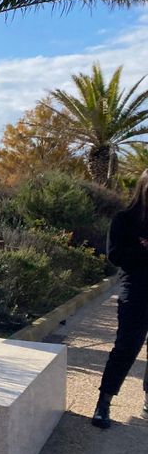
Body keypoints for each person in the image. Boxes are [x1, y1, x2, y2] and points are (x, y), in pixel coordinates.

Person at [93, 169, 148, 428]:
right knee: (126, 347)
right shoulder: (124, 219)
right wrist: (142, 250)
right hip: (136, 290)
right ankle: (103, 402)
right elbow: (115, 255)